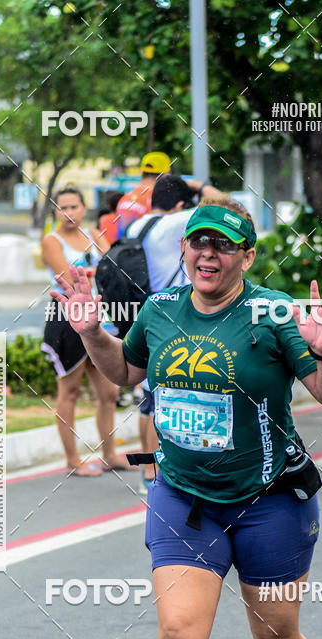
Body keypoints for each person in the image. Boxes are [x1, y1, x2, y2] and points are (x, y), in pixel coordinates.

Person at [51, 197, 322, 639]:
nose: (208, 254)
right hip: (184, 497)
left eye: (223, 245)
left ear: (246, 256)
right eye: (199, 242)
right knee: (178, 632)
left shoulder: (273, 313)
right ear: (185, 250)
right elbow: (124, 370)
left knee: (275, 637)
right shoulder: (161, 309)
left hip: (270, 499)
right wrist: (92, 333)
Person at [126, 174, 221, 495]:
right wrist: (199, 185)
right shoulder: (173, 224)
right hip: (173, 319)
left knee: (148, 401)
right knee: (168, 400)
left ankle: (148, 471)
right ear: (181, 205)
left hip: (144, 317)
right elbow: (224, 205)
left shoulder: (137, 226)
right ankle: (164, 474)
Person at [41, 186, 133, 476]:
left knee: (109, 392)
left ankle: (109, 454)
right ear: (55, 211)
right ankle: (73, 460)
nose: (69, 213)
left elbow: (114, 268)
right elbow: (69, 278)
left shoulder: (93, 235)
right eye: (63, 207)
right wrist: (98, 275)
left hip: (99, 319)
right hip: (68, 317)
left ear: (84, 208)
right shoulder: (52, 240)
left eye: (74, 206)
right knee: (69, 391)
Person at [115, 151, 171, 237]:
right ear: (165, 174)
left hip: (125, 244)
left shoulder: (124, 199)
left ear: (142, 172)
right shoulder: (159, 198)